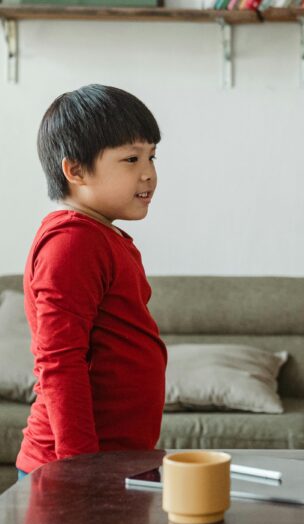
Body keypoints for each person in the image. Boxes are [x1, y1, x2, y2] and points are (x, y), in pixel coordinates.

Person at [16, 85, 167, 478]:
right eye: (131, 159)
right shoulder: (72, 242)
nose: (149, 172)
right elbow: (59, 361)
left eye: (151, 156)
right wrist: (79, 468)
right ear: (76, 170)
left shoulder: (101, 236)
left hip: (116, 460)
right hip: (77, 469)